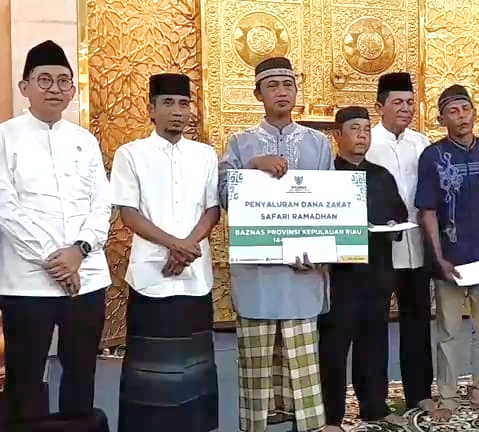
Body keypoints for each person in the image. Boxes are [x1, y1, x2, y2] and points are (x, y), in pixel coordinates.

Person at [0, 40, 111, 425]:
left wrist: (79, 250)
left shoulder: (85, 140)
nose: (55, 88)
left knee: (81, 372)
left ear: (72, 89)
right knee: (25, 375)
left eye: (64, 81)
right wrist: (56, 259)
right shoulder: (5, 136)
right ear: (24, 87)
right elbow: (6, 207)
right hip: (27, 280)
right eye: (44, 79)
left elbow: (102, 204)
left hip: (87, 276)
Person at [218, 56, 332, 432]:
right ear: (258, 94)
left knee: (304, 374)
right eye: (272, 86)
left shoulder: (318, 143)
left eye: (288, 84)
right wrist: (252, 167)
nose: (282, 92)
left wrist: (319, 253)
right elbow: (224, 196)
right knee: (257, 370)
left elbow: (331, 205)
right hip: (259, 275)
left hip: (303, 271)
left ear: (296, 91)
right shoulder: (240, 144)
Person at [110, 73, 221, 432]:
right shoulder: (131, 154)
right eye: (168, 103)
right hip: (151, 276)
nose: (177, 111)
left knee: (195, 366)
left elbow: (212, 210)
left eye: (184, 103)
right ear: (151, 110)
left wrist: (187, 245)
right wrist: (175, 244)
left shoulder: (205, 155)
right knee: (149, 370)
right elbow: (129, 213)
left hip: (194, 275)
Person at [416, 84, 479, 422]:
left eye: (466, 109)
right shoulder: (432, 156)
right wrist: (439, 257)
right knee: (449, 333)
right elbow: (427, 211)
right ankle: (448, 395)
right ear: (442, 119)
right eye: (453, 111)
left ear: (475, 112)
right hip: (451, 260)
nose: (461, 117)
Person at [319, 106, 409, 431]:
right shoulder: (325, 176)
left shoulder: (382, 176)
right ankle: (331, 417)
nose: (362, 136)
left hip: (377, 274)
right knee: (334, 348)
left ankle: (374, 407)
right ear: (338, 135)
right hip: (339, 278)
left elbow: (399, 214)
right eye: (354, 129)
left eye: (366, 129)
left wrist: (392, 225)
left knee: (374, 346)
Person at [365, 72, 434, 411]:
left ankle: (419, 393)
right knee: (375, 327)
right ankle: (374, 401)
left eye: (410, 102)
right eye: (398, 102)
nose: (406, 108)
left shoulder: (422, 144)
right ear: (380, 107)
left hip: (417, 247)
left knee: (417, 323)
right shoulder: (368, 143)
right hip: (380, 252)